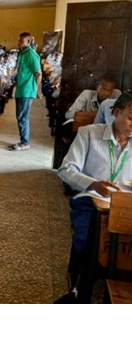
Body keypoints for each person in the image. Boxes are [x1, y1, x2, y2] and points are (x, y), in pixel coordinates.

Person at [55, 91, 132, 304]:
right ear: (116, 112)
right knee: (91, 236)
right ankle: (81, 288)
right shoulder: (89, 133)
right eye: (130, 118)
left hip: (125, 205)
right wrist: (93, 183)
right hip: (91, 199)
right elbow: (66, 169)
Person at [11, 32, 41, 151]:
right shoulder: (22, 53)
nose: (19, 43)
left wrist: (37, 90)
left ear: (29, 42)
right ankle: (23, 140)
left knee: (23, 117)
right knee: (20, 116)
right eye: (18, 41)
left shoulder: (31, 55)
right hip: (20, 89)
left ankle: (25, 142)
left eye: (22, 41)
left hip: (27, 90)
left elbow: (38, 74)